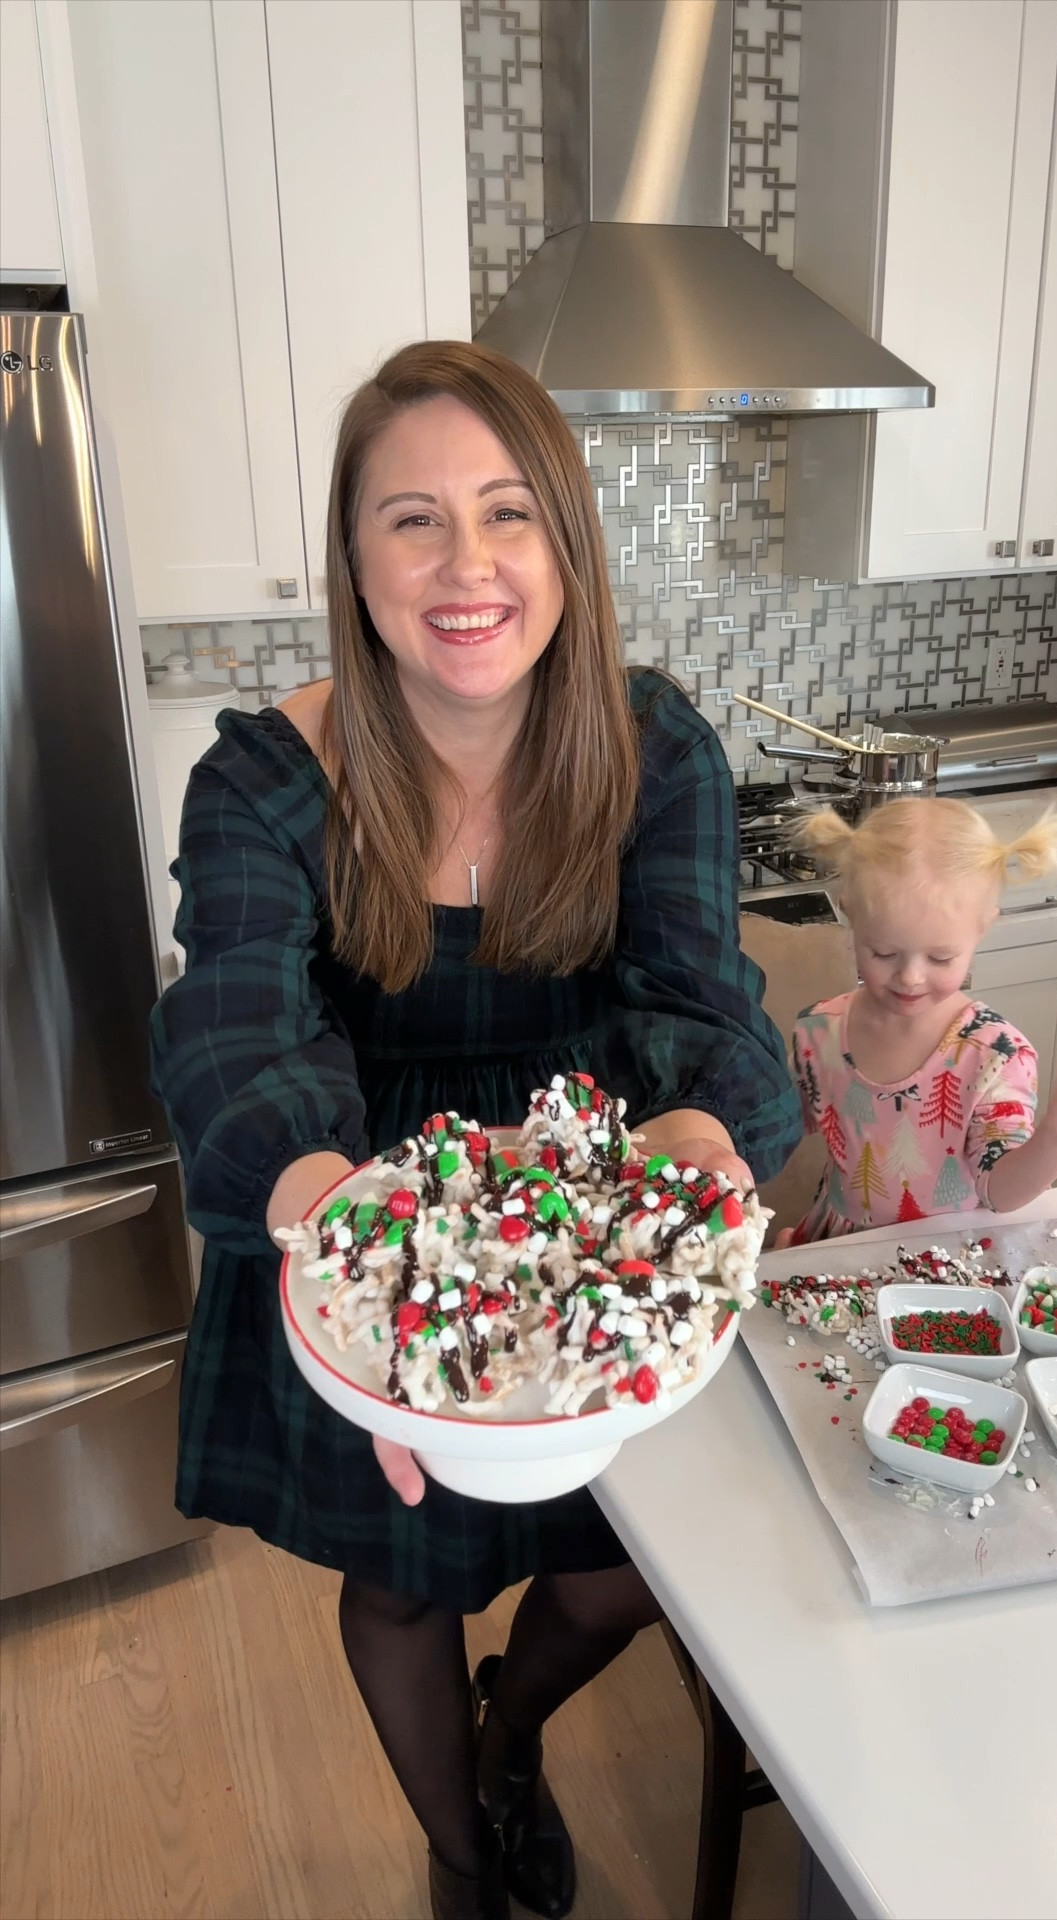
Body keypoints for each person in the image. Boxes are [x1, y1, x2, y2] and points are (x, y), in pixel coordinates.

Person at [149, 339, 801, 1920]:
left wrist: (703, 1148)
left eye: (509, 513)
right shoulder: (267, 779)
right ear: (353, 559)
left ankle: (515, 1732)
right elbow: (239, 1014)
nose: (467, 566)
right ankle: (462, 1851)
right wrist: (356, 1257)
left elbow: (699, 1003)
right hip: (366, 1213)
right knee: (398, 1583)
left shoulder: (657, 751)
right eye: (412, 519)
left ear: (566, 545)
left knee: (625, 1571)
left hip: (590, 1216)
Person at [775, 797, 1057, 1246]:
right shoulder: (818, 1031)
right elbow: (773, 1129)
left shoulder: (996, 1054)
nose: (910, 978)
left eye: (941, 957)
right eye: (883, 953)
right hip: (838, 1246)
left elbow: (1000, 1192)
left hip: (949, 1256)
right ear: (850, 914)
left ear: (983, 926)